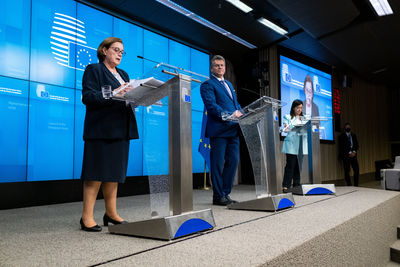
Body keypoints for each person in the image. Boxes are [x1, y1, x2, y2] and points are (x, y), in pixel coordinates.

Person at [80, 37, 139, 231]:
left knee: (114, 174)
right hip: (101, 129)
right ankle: (86, 217)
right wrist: (112, 93)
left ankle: (111, 213)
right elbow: (88, 97)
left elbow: (127, 97)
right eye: (116, 49)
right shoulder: (93, 69)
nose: (120, 53)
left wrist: (138, 98)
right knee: (95, 174)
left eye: (122, 51)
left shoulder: (123, 74)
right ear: (104, 50)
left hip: (121, 129)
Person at [200, 55, 243, 206]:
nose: (220, 67)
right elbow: (212, 106)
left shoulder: (229, 84)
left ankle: (225, 193)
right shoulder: (207, 85)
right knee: (218, 164)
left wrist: (242, 112)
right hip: (219, 130)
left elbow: (236, 104)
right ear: (212, 68)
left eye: (222, 65)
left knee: (233, 162)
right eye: (217, 65)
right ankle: (218, 196)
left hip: (233, 130)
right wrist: (229, 115)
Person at [282, 99, 307, 192]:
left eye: (301, 108)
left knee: (298, 166)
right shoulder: (287, 117)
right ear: (293, 108)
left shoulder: (304, 118)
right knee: (290, 165)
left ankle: (296, 185)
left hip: (300, 144)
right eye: (298, 108)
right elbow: (286, 128)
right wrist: (293, 125)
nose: (299, 110)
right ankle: (286, 185)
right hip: (291, 144)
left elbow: (307, 129)